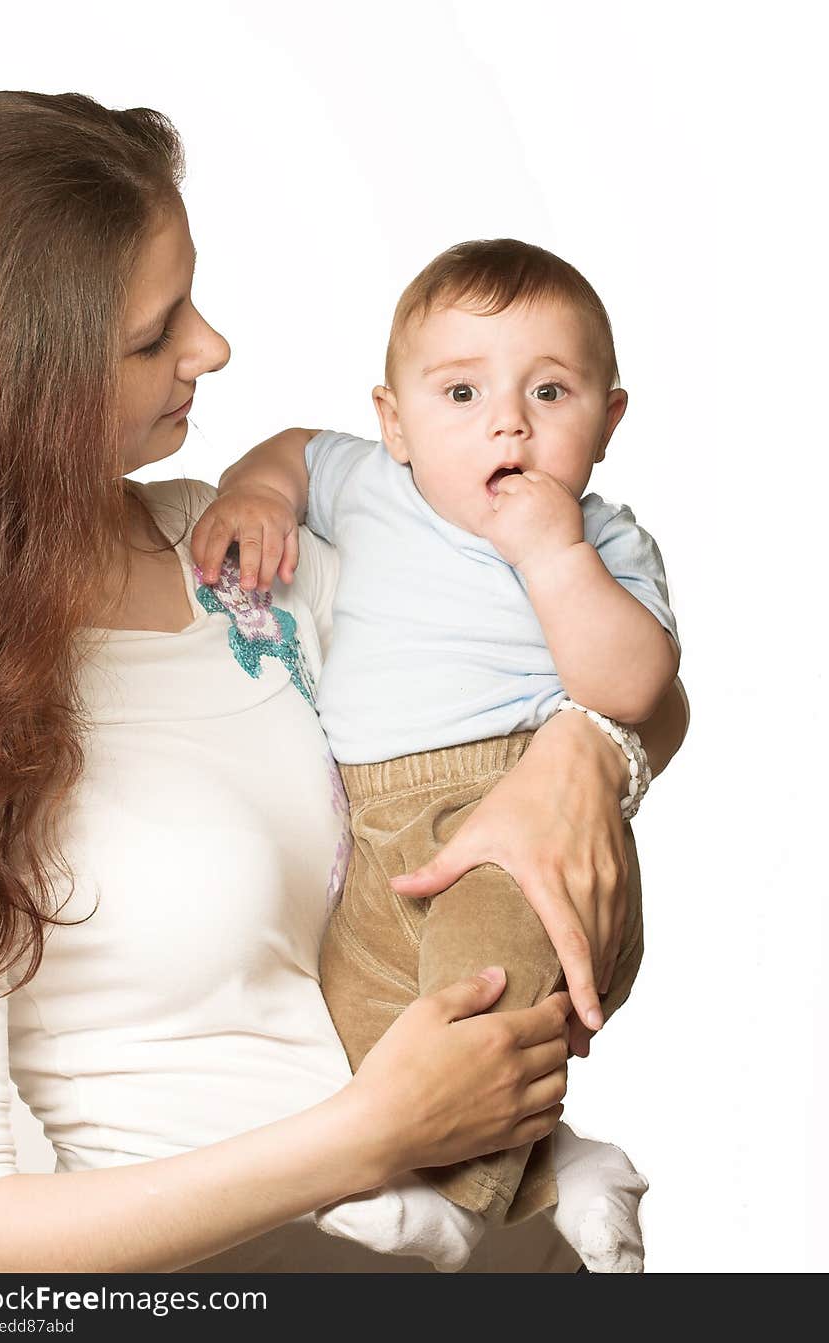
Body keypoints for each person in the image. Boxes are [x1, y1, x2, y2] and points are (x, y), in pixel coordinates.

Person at [0, 91, 687, 1275]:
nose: (214, 348)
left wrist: (581, 760)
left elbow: (612, 672)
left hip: (497, 1252)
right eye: (155, 335)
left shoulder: (240, 552)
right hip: (241, 1282)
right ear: (15, 386)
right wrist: (368, 1138)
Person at [191, 239, 681, 1271]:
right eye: (461, 390)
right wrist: (257, 494)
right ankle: (564, 1170)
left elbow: (638, 688)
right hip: (370, 829)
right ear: (394, 419)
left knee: (481, 984)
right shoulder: (366, 480)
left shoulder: (603, 539)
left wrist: (552, 556)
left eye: (549, 391)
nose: (507, 420)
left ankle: (453, 1202)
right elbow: (289, 448)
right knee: (364, 1022)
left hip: (518, 819)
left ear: (609, 419)